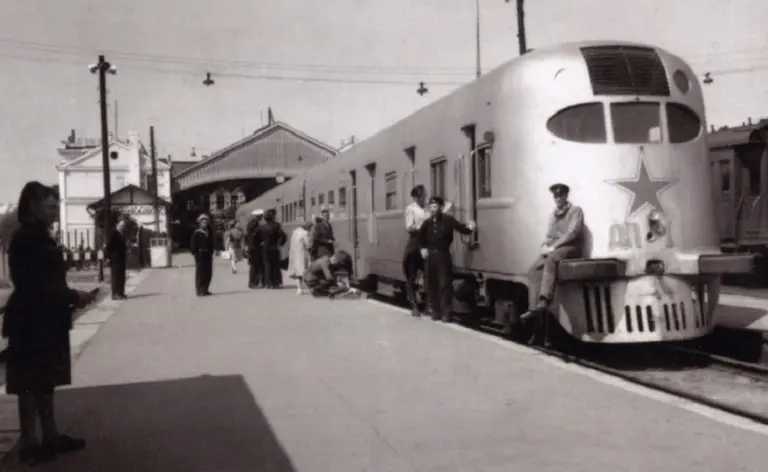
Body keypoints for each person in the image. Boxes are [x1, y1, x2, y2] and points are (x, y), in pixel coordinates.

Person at [2, 181, 93, 464]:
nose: (56, 212)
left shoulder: (39, 236)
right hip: (31, 319)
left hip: (45, 318)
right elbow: (37, 284)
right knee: (29, 381)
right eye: (51, 206)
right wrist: (73, 295)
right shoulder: (27, 239)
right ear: (33, 206)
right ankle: (30, 443)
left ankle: (50, 435)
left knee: (44, 379)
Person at [522, 183, 585, 320]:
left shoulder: (575, 211)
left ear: (566, 195)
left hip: (571, 248)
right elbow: (549, 235)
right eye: (555, 196)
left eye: (560, 195)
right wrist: (543, 246)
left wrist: (554, 247)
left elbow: (572, 233)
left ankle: (545, 299)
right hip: (555, 248)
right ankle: (534, 308)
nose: (558, 198)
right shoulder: (553, 215)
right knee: (533, 270)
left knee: (552, 258)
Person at [418, 196, 475, 322]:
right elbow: (420, 237)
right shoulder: (427, 223)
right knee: (432, 285)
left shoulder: (448, 220)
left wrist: (470, 227)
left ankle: (446, 314)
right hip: (431, 257)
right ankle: (435, 312)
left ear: (441, 208)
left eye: (435, 207)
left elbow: (461, 228)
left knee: (444, 285)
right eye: (431, 207)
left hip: (443, 256)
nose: (433, 209)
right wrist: (422, 249)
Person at [403, 185, 428, 317]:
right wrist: (421, 227)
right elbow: (409, 227)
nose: (423, 198)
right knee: (411, 276)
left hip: (426, 242)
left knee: (428, 273)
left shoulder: (426, 209)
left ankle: (427, 302)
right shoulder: (411, 209)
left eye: (423, 196)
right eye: (421, 196)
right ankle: (414, 305)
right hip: (415, 242)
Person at [260, 209, 287, 288]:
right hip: (274, 247)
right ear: (273, 217)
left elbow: (258, 238)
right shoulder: (276, 225)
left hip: (265, 248)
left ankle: (268, 283)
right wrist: (280, 244)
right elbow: (284, 236)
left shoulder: (262, 227)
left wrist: (261, 243)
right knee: (275, 265)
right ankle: (276, 282)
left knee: (267, 265)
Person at [190, 214, 215, 296]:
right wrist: (195, 253)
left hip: (208, 255)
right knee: (200, 273)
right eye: (203, 222)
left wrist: (212, 251)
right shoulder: (197, 233)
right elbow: (193, 245)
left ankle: (205, 289)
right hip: (200, 255)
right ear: (200, 223)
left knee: (208, 272)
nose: (205, 224)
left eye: (206, 222)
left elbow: (211, 243)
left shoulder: (209, 232)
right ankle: (199, 290)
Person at [287, 220, 312, 295]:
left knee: (298, 272)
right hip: (303, 254)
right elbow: (308, 244)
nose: (310, 229)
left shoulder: (295, 231)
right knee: (304, 271)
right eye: (310, 227)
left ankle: (299, 289)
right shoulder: (305, 233)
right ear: (308, 226)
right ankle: (308, 288)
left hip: (295, 254)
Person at [106, 218, 128, 300]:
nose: (122, 227)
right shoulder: (114, 234)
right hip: (115, 259)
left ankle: (121, 293)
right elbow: (109, 246)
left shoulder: (122, 234)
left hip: (121, 259)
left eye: (123, 226)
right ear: (117, 225)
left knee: (121, 276)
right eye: (121, 225)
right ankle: (115, 294)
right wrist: (108, 257)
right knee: (115, 276)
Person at [246, 209, 265, 289]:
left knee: (254, 265)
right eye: (261, 216)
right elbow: (254, 236)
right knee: (254, 266)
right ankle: (252, 283)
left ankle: (254, 282)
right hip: (255, 248)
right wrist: (260, 241)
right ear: (259, 216)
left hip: (252, 247)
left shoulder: (250, 223)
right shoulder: (255, 224)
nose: (262, 217)